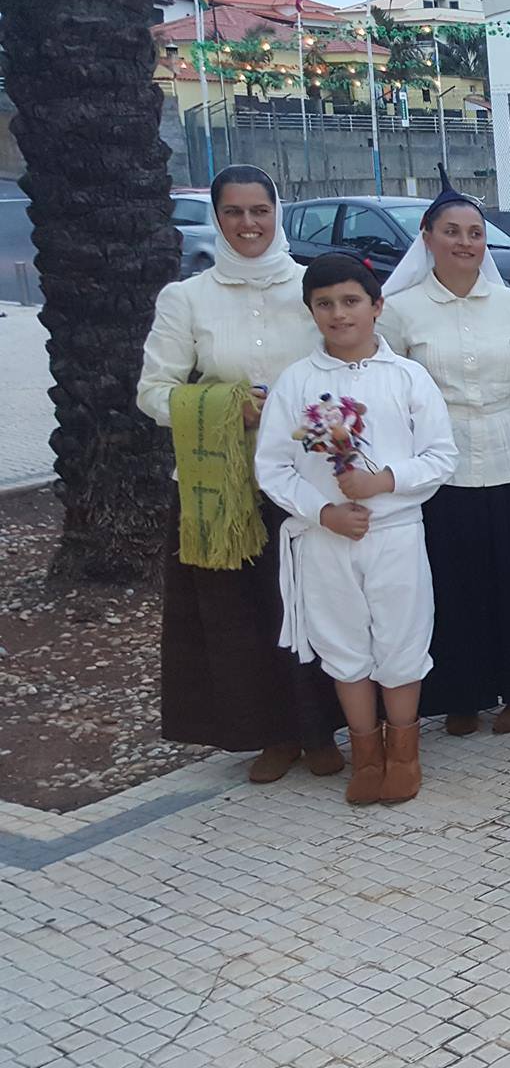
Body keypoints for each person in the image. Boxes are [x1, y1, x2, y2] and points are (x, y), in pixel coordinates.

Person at [137, 165, 344, 784]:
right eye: (234, 212)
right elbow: (153, 391)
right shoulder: (186, 299)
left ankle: (321, 729)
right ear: (218, 218)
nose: (248, 224)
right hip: (218, 489)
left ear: (277, 212)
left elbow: (346, 368)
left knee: (309, 605)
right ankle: (270, 735)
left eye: (260, 210)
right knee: (239, 615)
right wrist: (228, 404)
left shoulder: (313, 288)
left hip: (303, 478)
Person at [255, 255, 458, 804]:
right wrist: (323, 513)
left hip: (394, 533)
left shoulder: (407, 377)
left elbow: (441, 457)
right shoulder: (297, 382)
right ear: (311, 312)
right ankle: (365, 755)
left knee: (400, 641)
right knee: (344, 645)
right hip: (326, 537)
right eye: (325, 304)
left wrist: (384, 481)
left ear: (377, 306)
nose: (339, 314)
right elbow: (272, 466)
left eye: (351, 301)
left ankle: (404, 753)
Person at [384, 172, 510, 738]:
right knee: (452, 579)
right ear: (427, 237)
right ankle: (459, 693)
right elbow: (389, 392)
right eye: (451, 232)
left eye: (475, 232)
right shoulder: (399, 310)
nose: (465, 243)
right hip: (442, 464)